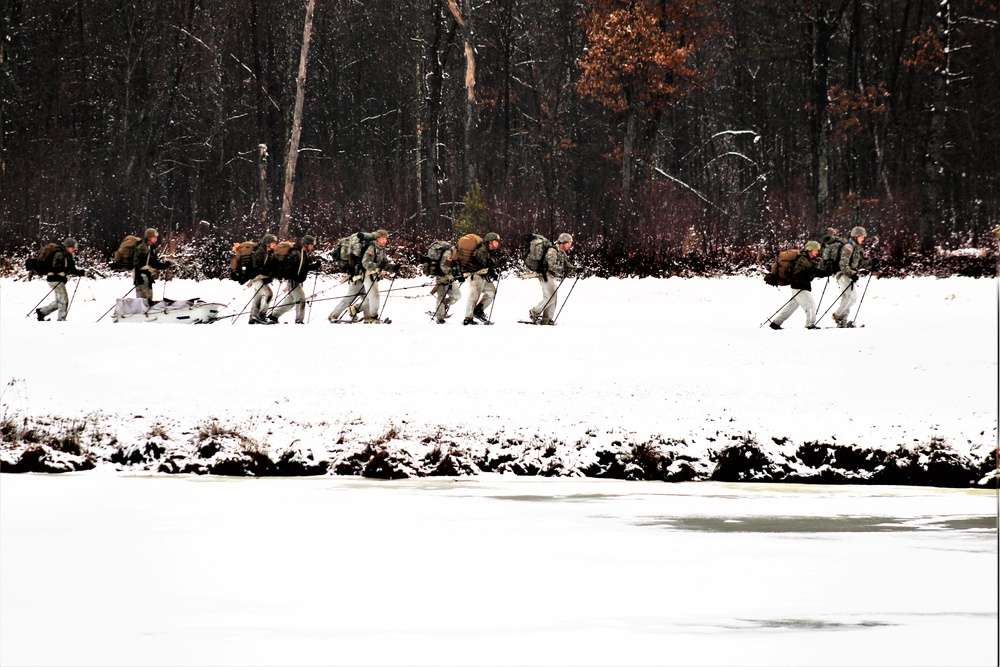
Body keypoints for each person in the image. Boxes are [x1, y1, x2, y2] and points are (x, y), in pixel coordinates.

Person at [328, 230, 389, 323]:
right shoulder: (371, 248)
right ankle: (333, 316)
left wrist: (391, 267)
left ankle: (367, 318)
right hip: (358, 276)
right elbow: (366, 263)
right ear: (378, 239)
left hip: (364, 276)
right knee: (350, 298)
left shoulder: (380, 249)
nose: (385, 241)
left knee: (367, 298)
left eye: (386, 239)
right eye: (383, 238)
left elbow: (382, 263)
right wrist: (378, 266)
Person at [769, 241, 822, 330]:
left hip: (799, 286)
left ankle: (776, 323)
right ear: (810, 249)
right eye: (816, 249)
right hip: (799, 287)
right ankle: (810, 325)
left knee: (792, 306)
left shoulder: (809, 259)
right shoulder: (802, 260)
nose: (817, 252)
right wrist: (804, 280)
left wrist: (826, 272)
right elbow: (796, 274)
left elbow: (813, 272)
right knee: (810, 304)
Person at [270, 235, 320, 324]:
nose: (312, 247)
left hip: (297, 281)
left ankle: (273, 315)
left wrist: (315, 265)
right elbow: (289, 266)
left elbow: (305, 267)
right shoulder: (296, 253)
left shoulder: (304, 254)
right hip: (293, 280)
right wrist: (289, 276)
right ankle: (299, 321)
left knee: (291, 301)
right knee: (301, 299)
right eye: (311, 245)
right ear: (306, 244)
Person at [831, 226, 874, 328]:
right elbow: (843, 265)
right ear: (856, 236)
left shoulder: (857, 248)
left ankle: (842, 321)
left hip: (848, 274)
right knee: (852, 297)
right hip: (842, 274)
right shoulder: (848, 247)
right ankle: (837, 315)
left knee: (847, 297)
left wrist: (872, 263)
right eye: (862, 236)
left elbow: (860, 263)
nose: (864, 238)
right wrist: (852, 274)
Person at [529, 233, 574, 325]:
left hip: (551, 275)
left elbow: (567, 265)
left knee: (553, 296)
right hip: (545, 275)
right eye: (569, 243)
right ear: (563, 242)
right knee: (549, 297)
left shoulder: (561, 252)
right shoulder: (552, 251)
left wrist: (576, 269)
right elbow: (552, 266)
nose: (570, 245)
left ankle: (547, 319)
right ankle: (534, 312)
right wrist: (563, 270)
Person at [36, 238, 85, 321]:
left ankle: (42, 312)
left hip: (55, 279)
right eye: (72, 247)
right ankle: (61, 319)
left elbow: (70, 269)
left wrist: (78, 272)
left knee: (59, 301)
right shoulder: (60, 254)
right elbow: (56, 267)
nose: (74, 249)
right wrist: (63, 272)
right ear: (67, 247)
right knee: (64, 300)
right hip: (55, 279)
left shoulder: (66, 255)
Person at [462, 232, 501, 325]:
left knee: (491, 292)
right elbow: (484, 263)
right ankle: (468, 318)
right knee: (473, 296)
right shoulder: (481, 250)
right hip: (476, 276)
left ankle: (478, 310)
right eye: (496, 241)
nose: (497, 243)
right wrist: (498, 263)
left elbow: (488, 265)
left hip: (483, 276)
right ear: (490, 242)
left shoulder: (489, 251)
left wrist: (493, 273)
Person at [132, 227, 172, 302]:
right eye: (154, 237)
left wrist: (164, 265)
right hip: (141, 274)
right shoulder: (141, 248)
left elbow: (154, 263)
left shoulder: (152, 248)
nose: (156, 239)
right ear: (149, 237)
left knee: (149, 296)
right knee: (143, 298)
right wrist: (138, 277)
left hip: (147, 275)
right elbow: (136, 262)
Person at [249, 233, 279, 325]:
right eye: (273, 243)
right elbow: (256, 267)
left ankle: (253, 318)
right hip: (256, 277)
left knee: (258, 297)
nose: (275, 244)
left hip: (262, 278)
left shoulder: (270, 253)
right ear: (267, 243)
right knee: (268, 294)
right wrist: (267, 272)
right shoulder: (260, 252)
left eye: (275, 243)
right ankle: (261, 316)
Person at [431, 244, 462, 324]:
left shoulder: (458, 254)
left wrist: (459, 275)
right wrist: (449, 275)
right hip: (441, 277)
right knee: (441, 296)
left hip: (450, 278)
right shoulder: (448, 253)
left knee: (457, 296)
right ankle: (440, 318)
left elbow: (457, 266)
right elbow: (444, 267)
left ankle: (444, 306)